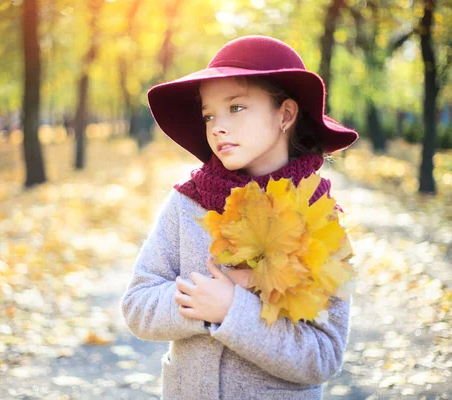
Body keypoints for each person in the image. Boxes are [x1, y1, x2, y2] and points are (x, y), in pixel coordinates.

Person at [120, 35, 359, 400]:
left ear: (286, 114)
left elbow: (323, 356)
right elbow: (138, 304)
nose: (217, 126)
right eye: (209, 114)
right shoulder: (189, 204)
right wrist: (200, 307)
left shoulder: (319, 220)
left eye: (236, 108)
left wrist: (234, 310)